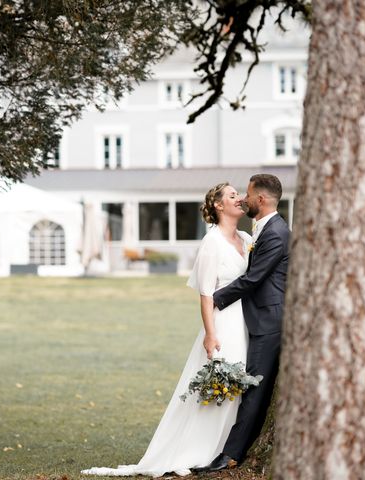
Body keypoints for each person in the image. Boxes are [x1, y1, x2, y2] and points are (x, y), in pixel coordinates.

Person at [81, 182, 252, 477]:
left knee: (239, 387)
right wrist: (210, 334)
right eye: (232, 196)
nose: (239, 199)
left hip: (247, 322)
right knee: (219, 385)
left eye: (239, 194)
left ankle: (230, 445)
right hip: (223, 323)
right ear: (219, 206)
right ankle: (202, 448)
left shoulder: (247, 237)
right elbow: (206, 294)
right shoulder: (212, 243)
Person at [197, 173, 289, 472]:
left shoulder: (274, 232)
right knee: (248, 384)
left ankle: (232, 453)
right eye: (236, 195)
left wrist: (216, 299)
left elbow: (253, 278)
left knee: (254, 388)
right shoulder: (257, 231)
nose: (243, 199)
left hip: (267, 321)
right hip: (248, 320)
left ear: (260, 199)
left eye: (246, 194)